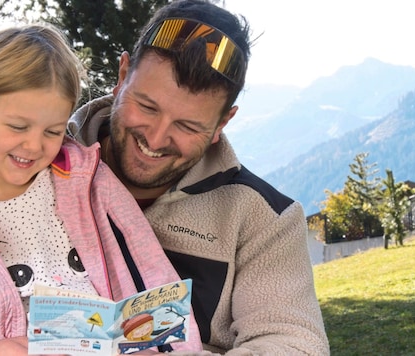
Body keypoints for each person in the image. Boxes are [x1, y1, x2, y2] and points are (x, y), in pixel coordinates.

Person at [0, 24, 202, 355]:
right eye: (18, 126)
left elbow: (156, 278)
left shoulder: (92, 184)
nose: (34, 146)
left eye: (52, 131)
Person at [68, 0, 331, 354]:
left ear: (223, 123)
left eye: (188, 126)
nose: (157, 139)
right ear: (122, 75)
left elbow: (296, 344)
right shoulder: (32, 167)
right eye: (147, 106)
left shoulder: (265, 219)